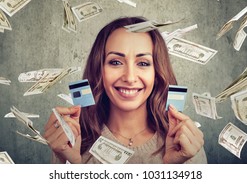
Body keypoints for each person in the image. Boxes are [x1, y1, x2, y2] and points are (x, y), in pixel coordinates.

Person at [43, 16, 207, 164]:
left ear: (157, 73)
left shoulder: (185, 145)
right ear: (99, 70)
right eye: (115, 62)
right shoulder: (70, 144)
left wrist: (173, 169)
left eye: (143, 63)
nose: (129, 77)